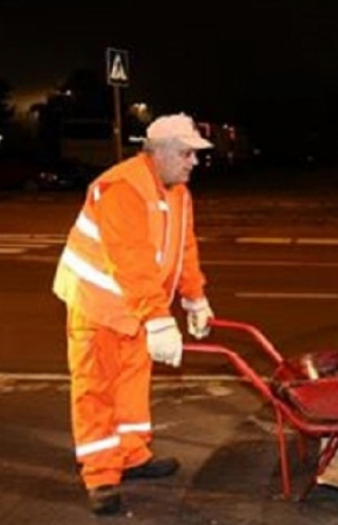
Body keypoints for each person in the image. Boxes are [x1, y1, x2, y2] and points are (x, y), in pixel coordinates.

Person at [52, 113, 216, 515]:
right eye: (186, 153)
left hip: (136, 308)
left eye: (195, 154)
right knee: (96, 389)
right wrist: (158, 318)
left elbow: (183, 250)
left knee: (131, 383)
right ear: (156, 152)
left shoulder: (177, 190)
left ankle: (132, 455)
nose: (193, 162)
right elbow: (131, 261)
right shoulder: (123, 187)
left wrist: (196, 298)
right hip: (98, 305)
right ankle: (101, 475)